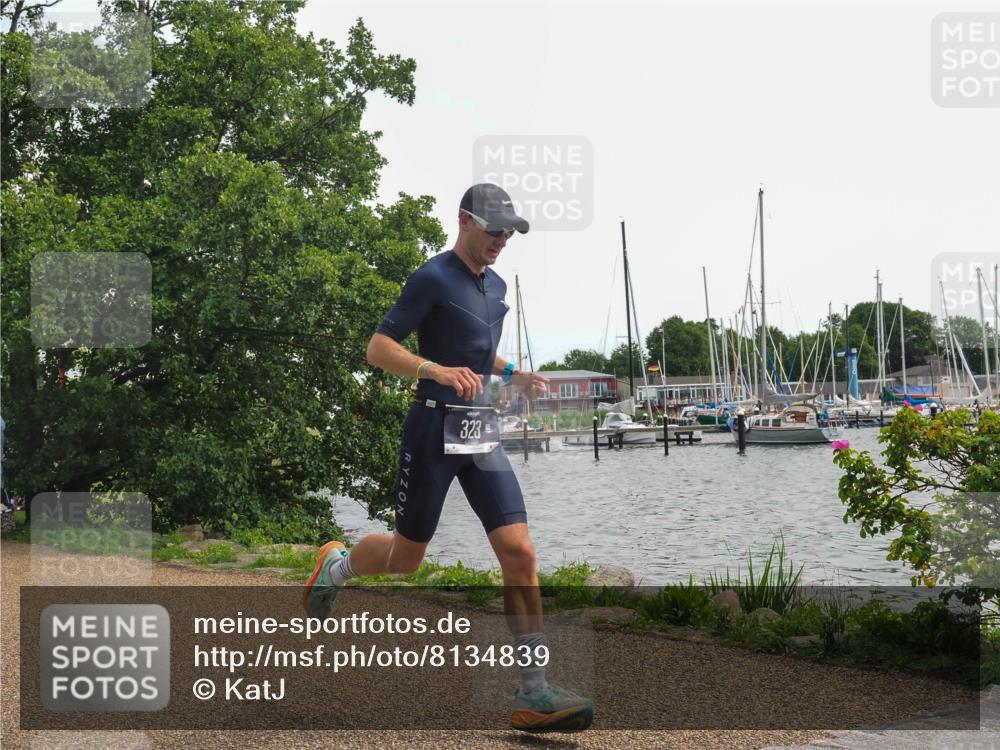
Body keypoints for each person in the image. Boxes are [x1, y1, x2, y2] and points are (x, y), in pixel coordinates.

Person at [304, 183, 593, 733]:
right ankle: (336, 567)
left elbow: (476, 349)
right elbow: (378, 347)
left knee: (520, 552)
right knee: (407, 559)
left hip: (480, 430)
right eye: (494, 230)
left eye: (510, 232)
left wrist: (512, 374)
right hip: (431, 430)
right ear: (463, 220)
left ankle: (534, 692)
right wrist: (431, 370)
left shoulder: (497, 284)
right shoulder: (431, 277)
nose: (503, 241)